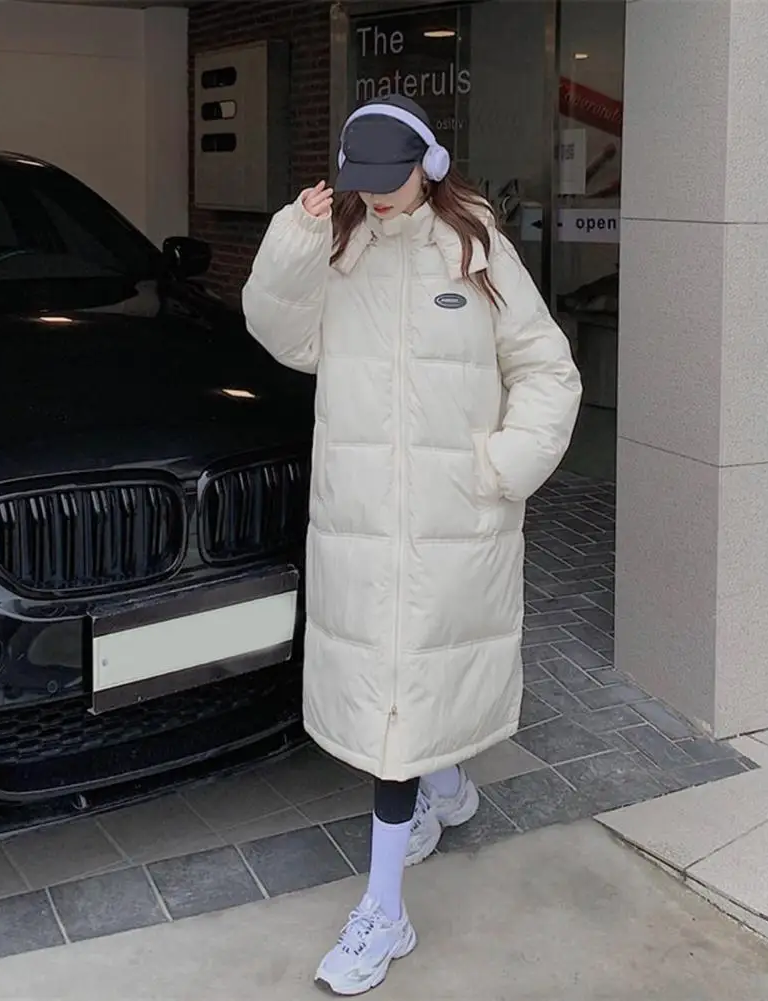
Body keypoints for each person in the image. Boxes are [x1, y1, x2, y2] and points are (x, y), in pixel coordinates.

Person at [242, 94, 582, 995]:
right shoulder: (339, 247)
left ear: (425, 166)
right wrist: (292, 243)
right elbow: (283, 336)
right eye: (360, 183)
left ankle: (383, 910)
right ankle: (449, 788)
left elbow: (547, 368)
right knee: (405, 682)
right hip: (360, 516)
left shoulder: (473, 249)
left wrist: (503, 464)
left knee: (403, 701)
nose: (374, 198)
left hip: (451, 516)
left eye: (387, 183)